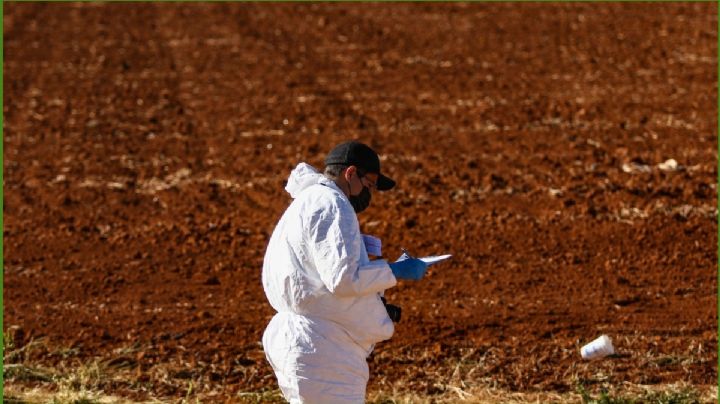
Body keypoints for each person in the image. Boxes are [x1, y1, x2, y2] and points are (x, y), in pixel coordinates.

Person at [261, 140, 428, 403]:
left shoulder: (309, 201)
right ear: (350, 173)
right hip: (323, 349)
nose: (367, 193)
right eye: (369, 185)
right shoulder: (332, 204)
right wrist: (394, 271)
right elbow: (343, 279)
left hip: (313, 344)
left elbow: (330, 276)